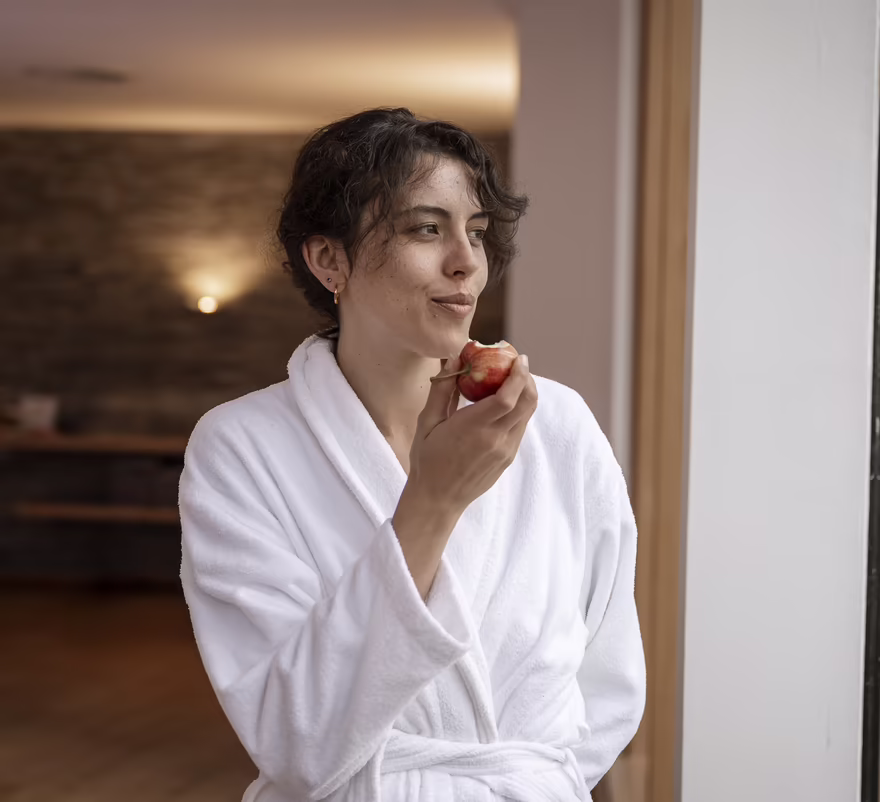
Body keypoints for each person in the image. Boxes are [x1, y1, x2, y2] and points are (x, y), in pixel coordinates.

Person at [179, 107, 645, 802]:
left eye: (477, 231)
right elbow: (295, 740)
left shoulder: (556, 425)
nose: (466, 261)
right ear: (328, 258)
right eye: (427, 228)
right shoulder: (242, 447)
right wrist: (433, 500)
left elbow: (609, 680)